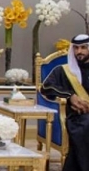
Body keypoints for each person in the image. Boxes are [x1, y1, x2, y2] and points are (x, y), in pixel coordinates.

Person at [41, 34, 89, 171]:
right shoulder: (63, 71)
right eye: (76, 48)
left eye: (83, 48)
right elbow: (46, 88)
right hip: (77, 117)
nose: (79, 51)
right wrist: (70, 96)